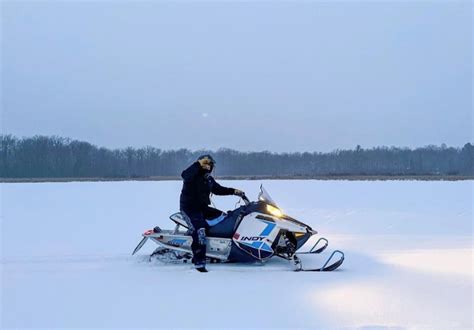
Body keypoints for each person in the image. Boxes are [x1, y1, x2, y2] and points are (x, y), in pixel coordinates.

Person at [180, 155, 244, 272]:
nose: (210, 167)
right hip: (190, 209)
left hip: (203, 208)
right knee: (200, 231)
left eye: (211, 164)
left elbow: (218, 189)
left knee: (225, 218)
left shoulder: (208, 178)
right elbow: (185, 175)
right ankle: (199, 262)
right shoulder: (193, 175)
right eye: (207, 164)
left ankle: (219, 247)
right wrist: (197, 164)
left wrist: (234, 191)